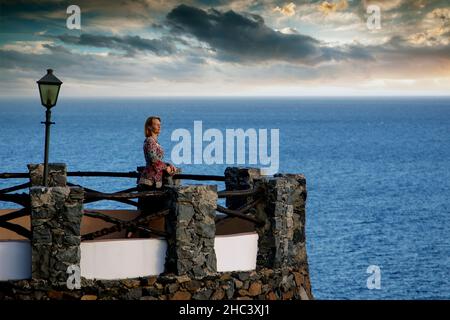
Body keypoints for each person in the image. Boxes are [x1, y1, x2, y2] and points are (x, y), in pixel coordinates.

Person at [127, 116, 178, 238]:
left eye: (160, 124)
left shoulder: (155, 142)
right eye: (156, 124)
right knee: (154, 209)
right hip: (148, 182)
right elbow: (153, 160)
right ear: (150, 127)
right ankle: (132, 227)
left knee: (150, 210)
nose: (159, 126)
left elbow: (158, 159)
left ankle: (141, 235)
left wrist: (168, 164)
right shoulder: (149, 141)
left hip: (155, 182)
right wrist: (166, 168)